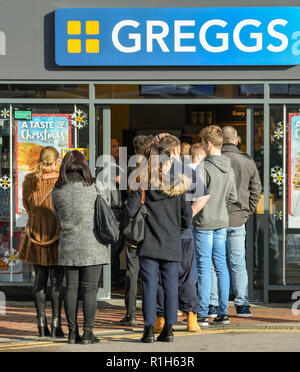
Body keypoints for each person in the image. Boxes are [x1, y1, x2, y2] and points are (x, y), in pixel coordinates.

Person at [125, 143, 192, 343]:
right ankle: (169, 329)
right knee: (171, 286)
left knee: (149, 287)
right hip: (172, 243)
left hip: (149, 244)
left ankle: (148, 330)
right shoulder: (178, 186)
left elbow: (130, 212)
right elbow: (186, 218)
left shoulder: (143, 184)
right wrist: (174, 231)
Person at [154, 135, 210, 333]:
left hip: (158, 232)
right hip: (183, 232)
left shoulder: (153, 173)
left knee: (161, 276)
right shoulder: (186, 172)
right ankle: (191, 318)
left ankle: (160, 319)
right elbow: (204, 196)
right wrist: (189, 216)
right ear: (176, 150)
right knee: (185, 275)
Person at [52, 150, 109, 344]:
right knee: (90, 289)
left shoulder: (57, 190)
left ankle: (71, 333)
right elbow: (105, 208)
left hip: (69, 244)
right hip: (93, 244)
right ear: (83, 165)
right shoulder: (94, 185)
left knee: (71, 287)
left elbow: (57, 214)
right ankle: (88, 333)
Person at [209, 126, 262, 318]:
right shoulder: (247, 161)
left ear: (221, 140)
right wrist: (248, 210)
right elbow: (256, 188)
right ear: (237, 140)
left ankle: (213, 303)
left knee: (215, 263)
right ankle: (242, 304)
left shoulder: (213, 161)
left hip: (215, 218)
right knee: (238, 262)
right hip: (238, 218)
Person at [193, 125, 237, 326]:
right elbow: (233, 197)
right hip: (221, 220)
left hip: (203, 222)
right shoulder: (229, 167)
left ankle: (202, 312)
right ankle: (223, 312)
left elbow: (198, 196)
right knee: (221, 265)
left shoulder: (203, 167)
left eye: (203, 143)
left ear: (208, 144)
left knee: (203, 266)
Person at [19, 146, 64, 338]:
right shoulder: (62, 180)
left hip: (36, 232)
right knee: (57, 281)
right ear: (56, 160)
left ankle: (41, 324)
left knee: (39, 279)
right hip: (56, 231)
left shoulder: (29, 180)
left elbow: (28, 207)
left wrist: (37, 219)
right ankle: (56, 324)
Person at [120, 134, 155, 326]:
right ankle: (153, 313)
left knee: (132, 272)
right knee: (151, 272)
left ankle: (131, 314)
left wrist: (127, 202)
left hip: (136, 229)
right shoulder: (159, 171)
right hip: (153, 229)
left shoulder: (135, 172)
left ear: (134, 150)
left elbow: (133, 207)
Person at [96, 137, 125, 288]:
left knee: (115, 245)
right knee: (114, 245)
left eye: (118, 145)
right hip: (113, 210)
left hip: (113, 207)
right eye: (113, 146)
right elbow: (126, 182)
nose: (117, 148)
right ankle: (113, 278)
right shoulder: (109, 164)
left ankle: (113, 276)